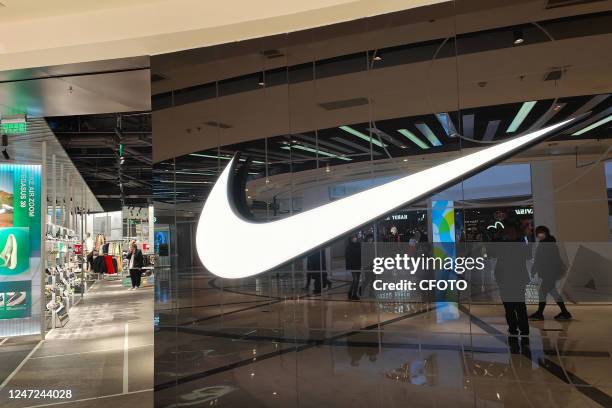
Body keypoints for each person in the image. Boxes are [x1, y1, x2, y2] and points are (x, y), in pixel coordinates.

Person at [493, 222, 530, 339]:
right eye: (507, 232)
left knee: (518, 306)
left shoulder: (520, 243)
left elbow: (526, 256)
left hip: (515, 279)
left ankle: (522, 328)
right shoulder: (505, 244)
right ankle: (514, 327)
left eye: (511, 231)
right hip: (506, 279)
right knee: (510, 306)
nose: (509, 234)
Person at [529, 226, 572, 321]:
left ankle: (540, 313)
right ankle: (564, 312)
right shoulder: (549, 243)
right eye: (538, 233)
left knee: (543, 293)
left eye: (540, 233)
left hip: (549, 273)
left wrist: (535, 268)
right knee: (553, 292)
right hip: (550, 273)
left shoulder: (547, 244)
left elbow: (541, 259)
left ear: (545, 233)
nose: (539, 235)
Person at [345, 236, 362, 300]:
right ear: (351, 239)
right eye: (353, 238)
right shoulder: (348, 247)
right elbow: (347, 257)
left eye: (355, 238)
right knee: (355, 280)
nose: (355, 239)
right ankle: (351, 293)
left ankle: (353, 294)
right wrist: (348, 266)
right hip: (353, 265)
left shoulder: (359, 245)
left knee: (356, 281)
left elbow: (361, 254)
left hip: (358, 264)